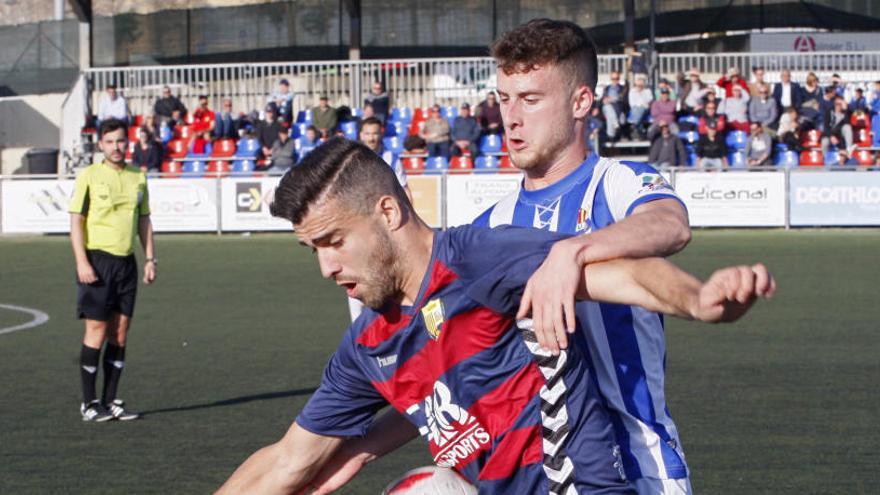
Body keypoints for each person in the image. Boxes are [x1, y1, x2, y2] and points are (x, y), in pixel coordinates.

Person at [216, 137, 775, 494]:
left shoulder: (479, 258)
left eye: (334, 241)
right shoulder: (366, 349)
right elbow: (288, 459)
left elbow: (625, 274)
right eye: (312, 249)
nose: (325, 267)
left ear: (388, 212)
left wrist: (700, 302)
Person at [309, 19, 700, 495]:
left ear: (581, 102)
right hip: (549, 472)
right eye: (504, 99)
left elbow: (670, 224)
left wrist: (571, 252)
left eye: (530, 100)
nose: (510, 118)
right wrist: (363, 446)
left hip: (642, 460)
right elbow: (446, 378)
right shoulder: (487, 232)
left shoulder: (616, 183)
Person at [68, 118, 156, 422]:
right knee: (97, 330)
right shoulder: (89, 176)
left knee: (120, 332)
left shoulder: (138, 177)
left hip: (126, 263)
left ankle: (110, 400)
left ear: (127, 142)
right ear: (100, 145)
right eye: (110, 142)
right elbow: (75, 221)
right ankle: (89, 403)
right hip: (97, 260)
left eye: (120, 141)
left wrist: (150, 259)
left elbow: (144, 220)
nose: (116, 147)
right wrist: (82, 261)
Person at [601, 70, 628, 138]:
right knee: (607, 107)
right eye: (613, 79)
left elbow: (623, 99)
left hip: (617, 108)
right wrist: (605, 100)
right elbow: (603, 99)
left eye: (617, 79)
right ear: (611, 79)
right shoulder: (607, 88)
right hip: (606, 108)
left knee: (609, 111)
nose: (615, 81)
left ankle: (611, 135)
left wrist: (612, 100)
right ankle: (615, 125)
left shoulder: (623, 89)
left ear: (619, 78)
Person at [627, 74, 652, 139]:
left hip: (645, 110)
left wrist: (640, 102)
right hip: (635, 110)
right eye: (638, 85)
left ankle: (635, 124)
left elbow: (648, 103)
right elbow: (632, 104)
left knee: (641, 109)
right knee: (637, 110)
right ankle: (640, 130)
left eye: (641, 85)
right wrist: (641, 104)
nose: (639, 86)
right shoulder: (632, 91)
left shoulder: (647, 91)